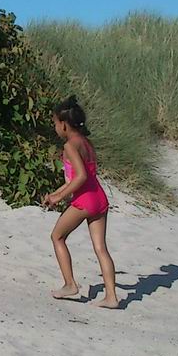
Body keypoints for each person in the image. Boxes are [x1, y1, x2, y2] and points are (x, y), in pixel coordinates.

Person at [42, 96, 120, 308]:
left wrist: (59, 197)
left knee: (57, 237)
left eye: (55, 123)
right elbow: (78, 178)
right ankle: (111, 297)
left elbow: (81, 177)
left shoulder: (70, 146)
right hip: (99, 197)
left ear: (64, 125)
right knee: (101, 248)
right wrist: (55, 193)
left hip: (85, 200)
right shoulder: (86, 142)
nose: (55, 128)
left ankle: (70, 284)